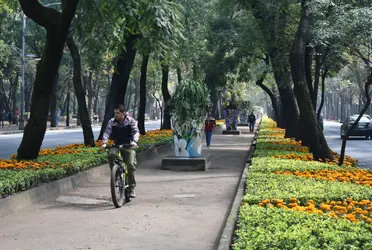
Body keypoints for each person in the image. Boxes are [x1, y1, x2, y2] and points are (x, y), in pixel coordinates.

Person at [100, 104, 140, 198]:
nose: (116, 115)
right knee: (111, 155)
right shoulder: (112, 121)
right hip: (116, 145)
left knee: (130, 165)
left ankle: (131, 188)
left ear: (123, 113)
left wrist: (134, 142)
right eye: (115, 113)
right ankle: (116, 173)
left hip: (129, 145)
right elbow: (107, 132)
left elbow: (136, 132)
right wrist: (104, 143)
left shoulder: (131, 121)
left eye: (117, 113)